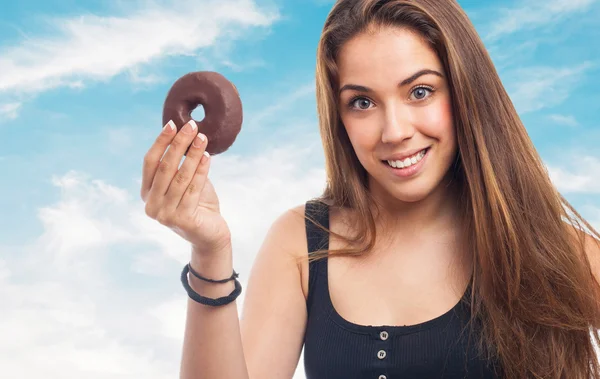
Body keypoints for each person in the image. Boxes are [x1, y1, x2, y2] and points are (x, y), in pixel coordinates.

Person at [140, 0, 600, 378]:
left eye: (420, 92)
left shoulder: (562, 254)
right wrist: (209, 251)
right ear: (339, 119)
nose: (394, 131)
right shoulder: (300, 243)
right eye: (362, 102)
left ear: (465, 93)